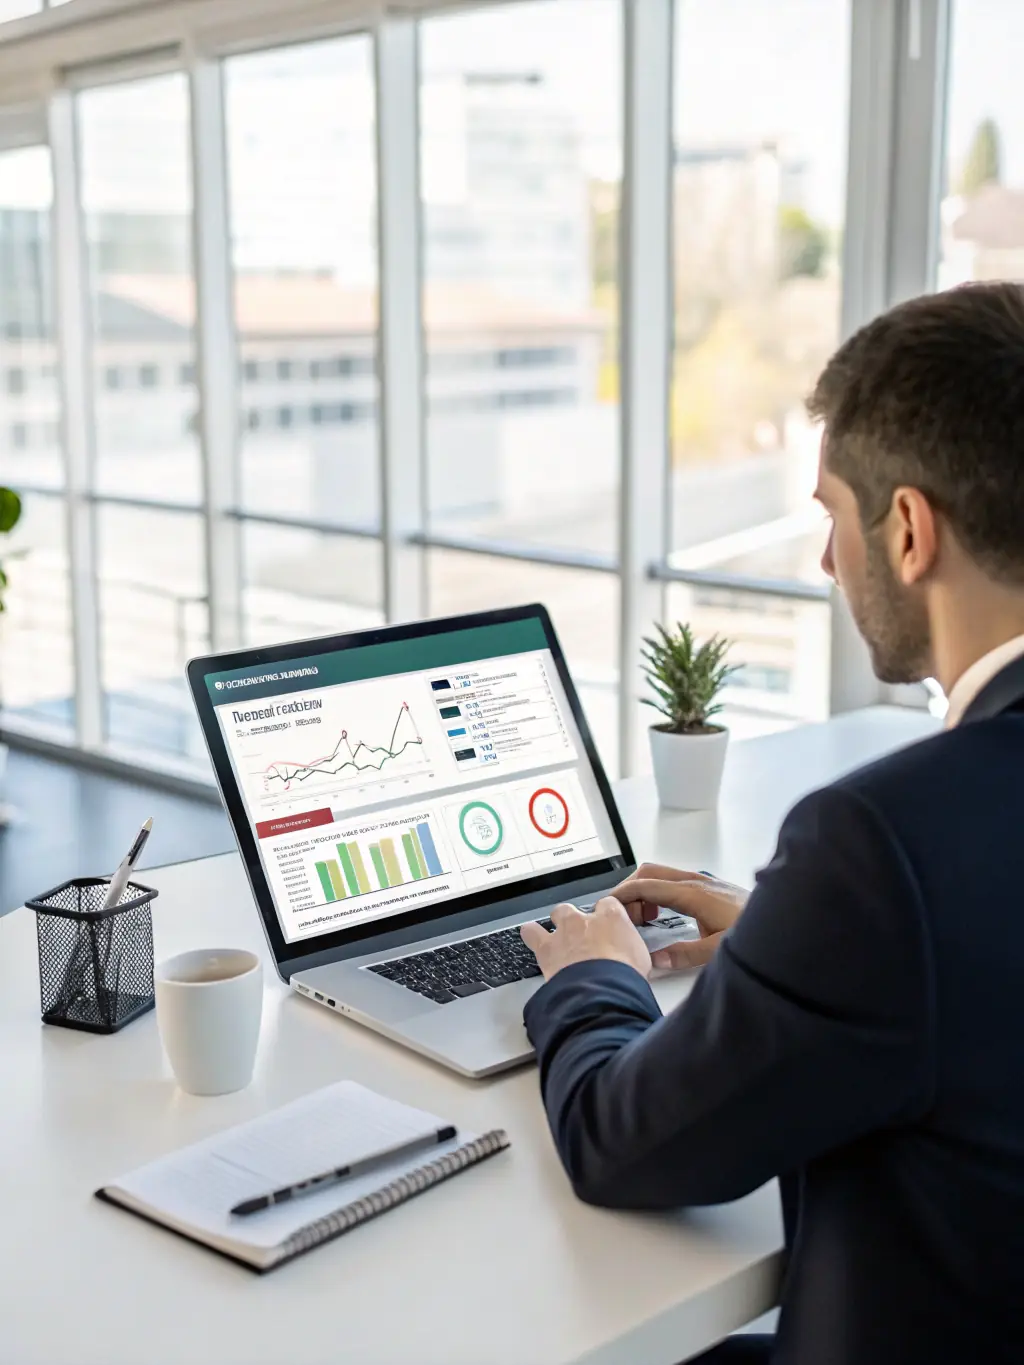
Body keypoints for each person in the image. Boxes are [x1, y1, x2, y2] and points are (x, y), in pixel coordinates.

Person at [521, 281, 1024, 1365]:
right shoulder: (913, 869)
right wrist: (780, 937)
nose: (826, 562)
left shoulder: (886, 844)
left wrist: (593, 976)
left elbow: (623, 1143)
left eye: (830, 515)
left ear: (906, 530)